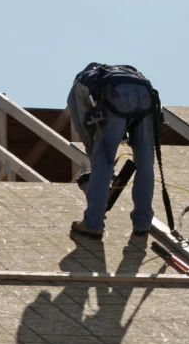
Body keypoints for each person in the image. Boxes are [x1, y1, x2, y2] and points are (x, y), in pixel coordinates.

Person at [67, 63, 158, 240]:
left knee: (104, 160)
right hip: (146, 93)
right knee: (146, 161)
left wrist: (98, 170)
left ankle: (93, 224)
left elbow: (87, 133)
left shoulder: (78, 88)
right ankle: (143, 223)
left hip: (115, 94)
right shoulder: (123, 73)